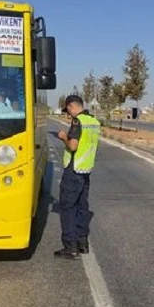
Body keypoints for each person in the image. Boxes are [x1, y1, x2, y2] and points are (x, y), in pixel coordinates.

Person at [55, 94, 101, 260]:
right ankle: (83, 244)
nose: (69, 115)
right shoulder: (94, 122)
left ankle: (70, 247)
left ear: (72, 106)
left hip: (74, 171)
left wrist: (63, 137)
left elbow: (73, 146)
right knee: (82, 207)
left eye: (68, 111)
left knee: (67, 207)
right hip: (86, 170)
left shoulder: (78, 121)